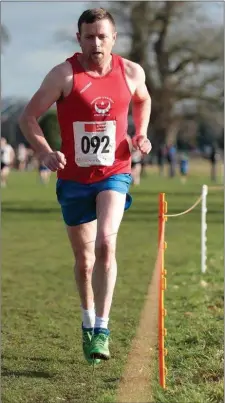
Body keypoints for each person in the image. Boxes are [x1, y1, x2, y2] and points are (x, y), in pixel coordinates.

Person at [19, 8, 152, 364]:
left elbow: (143, 99)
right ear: (79, 39)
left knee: (107, 243)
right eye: (89, 36)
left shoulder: (131, 72)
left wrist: (140, 133)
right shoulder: (64, 74)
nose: (96, 43)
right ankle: (87, 324)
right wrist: (45, 152)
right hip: (74, 179)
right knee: (85, 261)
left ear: (114, 38)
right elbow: (27, 116)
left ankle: (103, 330)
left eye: (102, 36)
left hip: (115, 171)